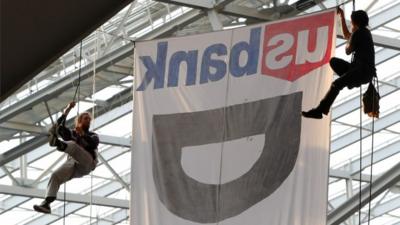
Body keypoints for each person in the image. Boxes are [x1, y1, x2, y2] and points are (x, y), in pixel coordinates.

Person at [302, 8, 376, 119]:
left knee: (336, 84)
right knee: (334, 62)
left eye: (351, 21)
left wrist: (351, 40)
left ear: (355, 22)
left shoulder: (359, 32)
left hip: (361, 71)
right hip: (360, 70)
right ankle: (348, 81)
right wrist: (342, 16)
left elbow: (347, 51)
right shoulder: (364, 32)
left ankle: (319, 111)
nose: (351, 23)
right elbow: (347, 36)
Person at [33, 101, 99, 214]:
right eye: (85, 118)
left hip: (88, 162)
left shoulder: (93, 135)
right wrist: (67, 110)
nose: (88, 120)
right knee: (55, 175)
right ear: (79, 121)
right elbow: (59, 127)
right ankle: (47, 203)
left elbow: (93, 144)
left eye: (89, 119)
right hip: (73, 164)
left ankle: (58, 144)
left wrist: (82, 134)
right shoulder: (72, 133)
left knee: (72, 145)